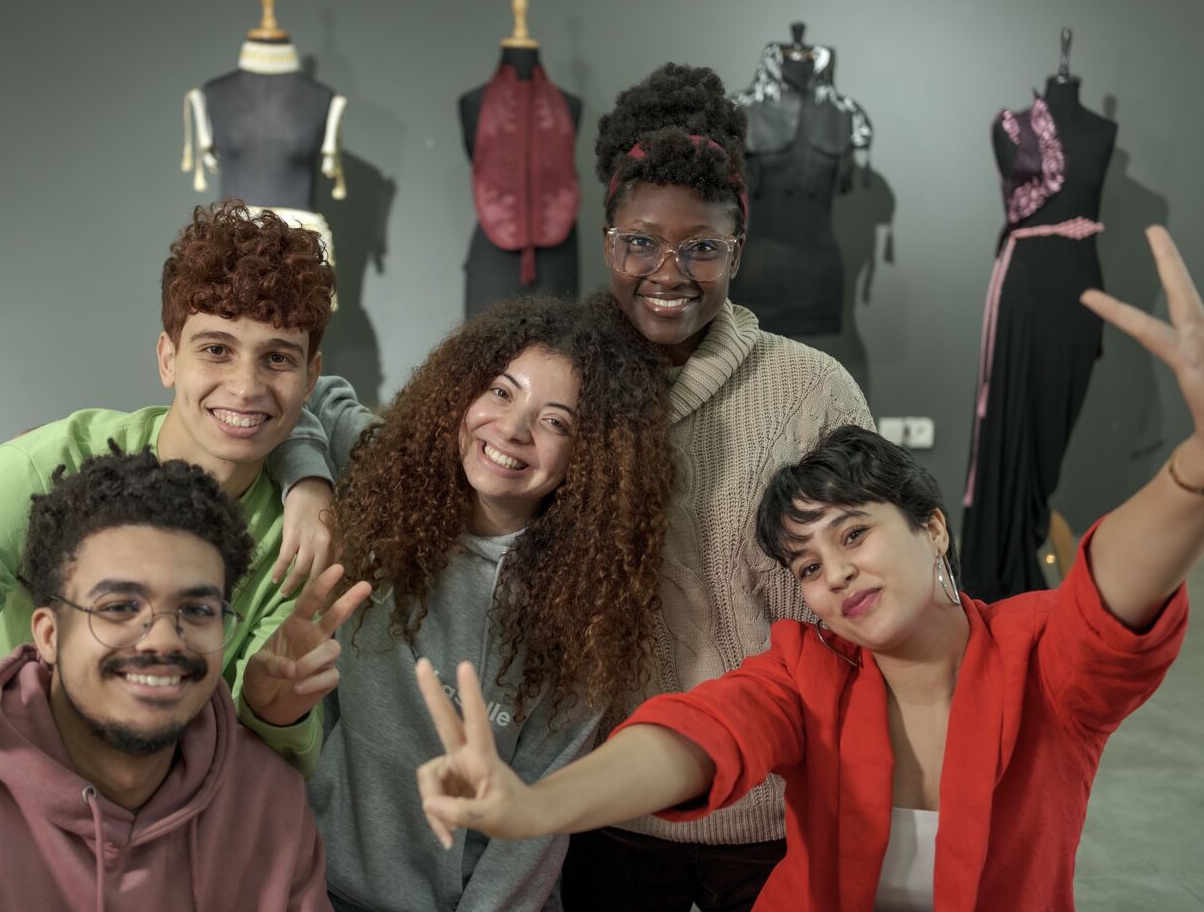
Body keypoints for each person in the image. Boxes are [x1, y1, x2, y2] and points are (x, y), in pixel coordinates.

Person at [412, 226, 1196, 912]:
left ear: (932, 531)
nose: (837, 576)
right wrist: (536, 804)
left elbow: (1106, 594)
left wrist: (1193, 469)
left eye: (854, 535)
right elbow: (695, 734)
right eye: (809, 566)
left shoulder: (1035, 660)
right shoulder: (811, 673)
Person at [0, 202, 353, 775]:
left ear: (310, 377)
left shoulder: (302, 539)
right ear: (168, 358)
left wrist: (277, 715)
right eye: (215, 349)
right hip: (9, 783)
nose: (245, 387)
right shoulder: (37, 471)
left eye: (276, 358)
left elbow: (259, 756)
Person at [555, 62, 873, 910]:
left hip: (773, 811)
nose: (669, 272)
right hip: (607, 803)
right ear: (608, 237)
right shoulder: (561, 381)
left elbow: (871, 610)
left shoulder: (813, 390)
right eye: (641, 242)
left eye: (702, 248)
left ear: (738, 247)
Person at [0, 449, 349, 910]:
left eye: (197, 610)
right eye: (118, 606)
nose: (162, 640)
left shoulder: (268, 805)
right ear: (47, 635)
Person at [293, 298, 672, 912]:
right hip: (323, 884)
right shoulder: (384, 475)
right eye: (500, 392)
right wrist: (306, 481)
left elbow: (544, 813)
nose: (514, 429)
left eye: (557, 422)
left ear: (592, 458)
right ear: (461, 390)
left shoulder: (585, 604)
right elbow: (307, 392)